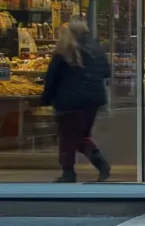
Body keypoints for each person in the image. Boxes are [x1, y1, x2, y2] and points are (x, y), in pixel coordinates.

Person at [40, 16, 112, 183]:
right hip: (92, 100)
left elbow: (52, 79)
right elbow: (106, 72)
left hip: (69, 101)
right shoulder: (97, 50)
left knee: (67, 138)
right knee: (81, 135)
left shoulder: (65, 51)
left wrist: (45, 99)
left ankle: (69, 173)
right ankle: (100, 163)